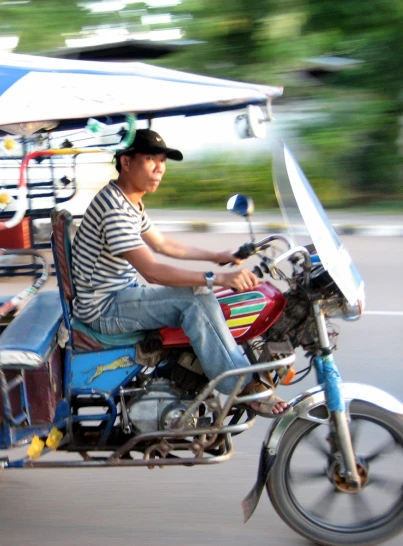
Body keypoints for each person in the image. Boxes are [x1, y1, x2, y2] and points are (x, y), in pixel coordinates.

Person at [71, 129, 287, 416]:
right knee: (196, 299)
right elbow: (153, 271)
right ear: (126, 162)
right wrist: (217, 278)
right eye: (150, 159)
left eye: (162, 161)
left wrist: (219, 257)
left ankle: (208, 376)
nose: (160, 168)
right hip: (104, 309)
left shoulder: (126, 201)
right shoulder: (114, 209)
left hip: (119, 296)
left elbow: (163, 244)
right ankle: (241, 386)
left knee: (203, 294)